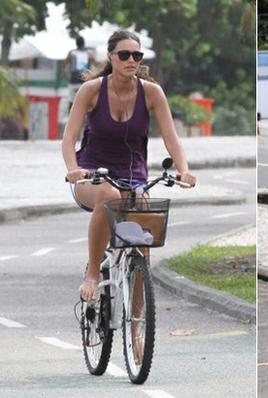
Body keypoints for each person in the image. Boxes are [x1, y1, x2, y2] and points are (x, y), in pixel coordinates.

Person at [61, 30, 196, 304]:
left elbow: (172, 138)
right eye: (124, 55)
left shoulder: (152, 92)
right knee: (109, 195)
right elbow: (69, 137)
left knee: (143, 241)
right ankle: (92, 274)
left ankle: (137, 328)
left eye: (137, 55)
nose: (131, 60)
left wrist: (183, 169)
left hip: (134, 178)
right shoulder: (91, 90)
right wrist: (73, 168)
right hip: (91, 176)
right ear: (111, 57)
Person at [65, 36, 96, 110]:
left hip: (73, 80)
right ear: (84, 44)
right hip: (84, 80)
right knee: (87, 102)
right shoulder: (89, 53)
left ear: (76, 44)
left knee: (71, 101)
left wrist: (67, 76)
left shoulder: (71, 53)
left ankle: (70, 119)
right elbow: (95, 64)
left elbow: (65, 64)